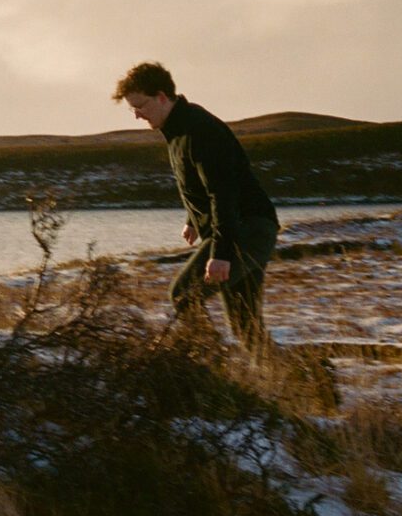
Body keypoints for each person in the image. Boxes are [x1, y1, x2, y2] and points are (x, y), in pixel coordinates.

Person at [114, 62, 279, 352]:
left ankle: (209, 364)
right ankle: (300, 376)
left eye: (140, 106)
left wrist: (221, 254)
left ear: (161, 97)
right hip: (248, 227)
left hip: (246, 229)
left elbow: (223, 191)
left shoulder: (198, 130)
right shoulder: (178, 128)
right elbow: (202, 183)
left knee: (184, 294)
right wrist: (193, 218)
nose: (137, 115)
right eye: (132, 109)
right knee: (246, 327)